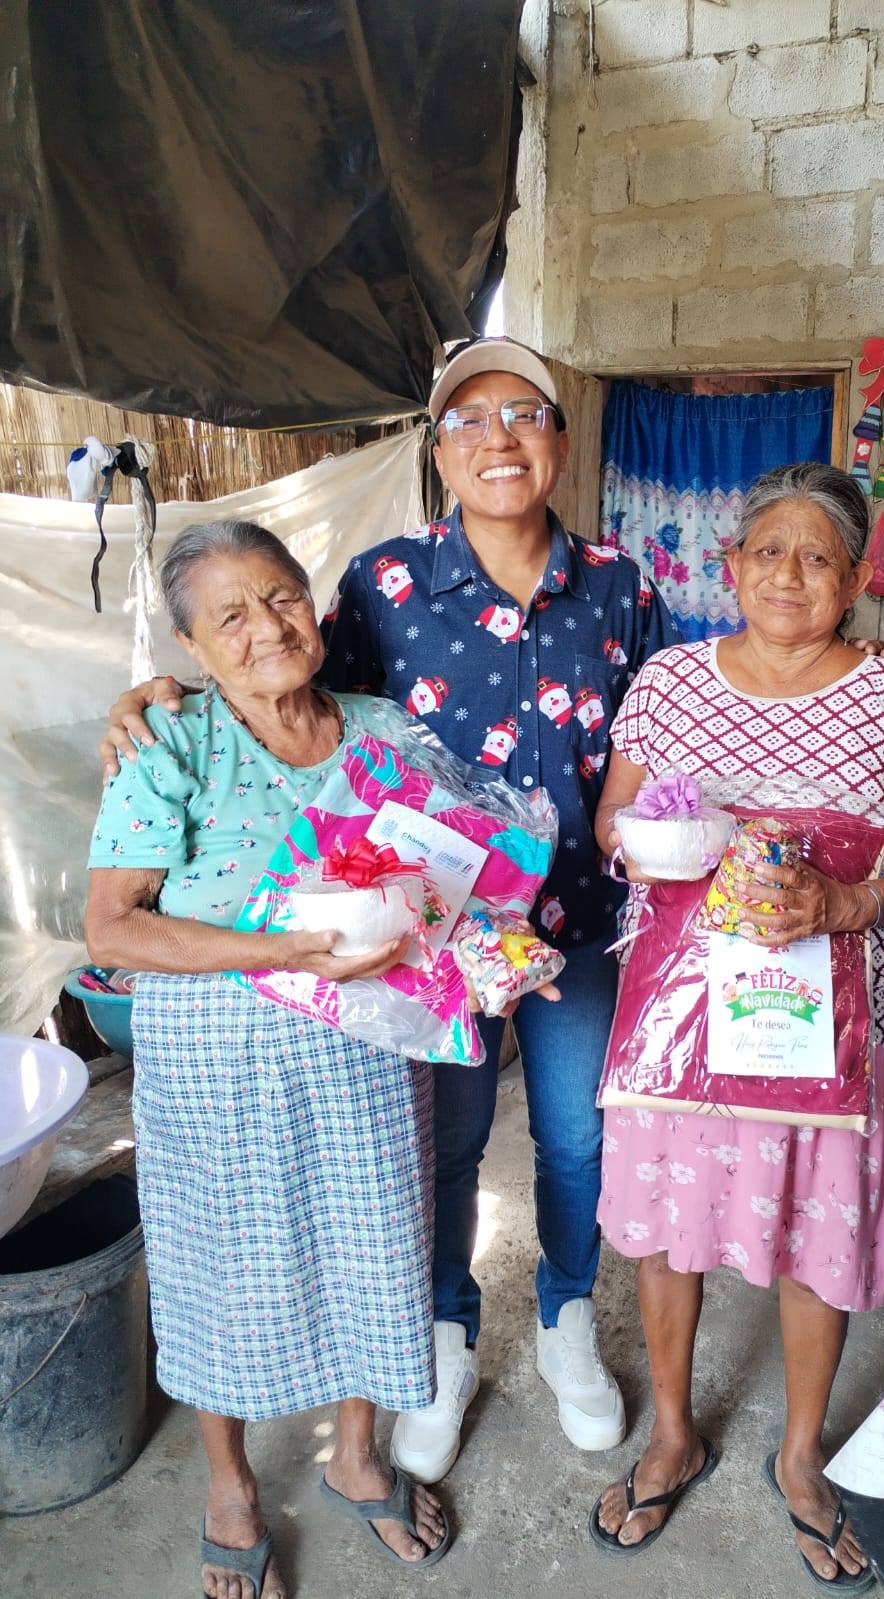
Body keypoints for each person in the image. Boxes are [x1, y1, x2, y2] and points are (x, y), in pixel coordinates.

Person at [97, 338, 678, 1484]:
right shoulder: (386, 583)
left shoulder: (623, 586)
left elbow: (665, 723)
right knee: (443, 1147)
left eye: (525, 414)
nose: (499, 439)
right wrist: (157, 692)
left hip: (571, 923)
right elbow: (284, 676)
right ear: (439, 452)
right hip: (424, 945)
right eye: (470, 420)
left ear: (560, 439)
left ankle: (565, 1318)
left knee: (575, 1138)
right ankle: (445, 1334)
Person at [588, 464, 884, 1588]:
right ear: (731, 564)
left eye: (818, 558)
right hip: (677, 1023)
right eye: (768, 552)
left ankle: (801, 1457)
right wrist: (669, 844)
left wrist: (851, 901)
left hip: (824, 1029)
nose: (789, 576)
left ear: (854, 581)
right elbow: (613, 822)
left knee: (818, 1236)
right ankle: (673, 1433)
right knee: (668, 1232)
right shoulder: (670, 682)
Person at [85, 521, 451, 1599]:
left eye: (281, 596)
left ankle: (355, 1455)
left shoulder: (383, 730)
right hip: (219, 1054)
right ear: (193, 647)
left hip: (368, 1046)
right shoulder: (172, 743)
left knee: (375, 1245)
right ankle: (230, 1484)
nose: (266, 628)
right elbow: (113, 928)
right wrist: (283, 951)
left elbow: (444, 879)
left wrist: (491, 950)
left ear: (314, 601)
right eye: (230, 616)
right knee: (219, 1267)